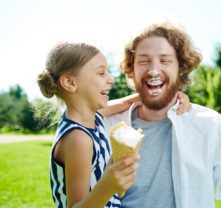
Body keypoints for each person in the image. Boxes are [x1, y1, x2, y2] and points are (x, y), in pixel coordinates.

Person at [104, 22, 221, 208]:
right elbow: (74, 115)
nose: (153, 71)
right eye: (143, 61)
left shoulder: (211, 124)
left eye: (165, 60)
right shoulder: (108, 125)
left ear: (181, 68)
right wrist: (130, 100)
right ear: (131, 70)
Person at [37, 42, 191, 208]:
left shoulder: (92, 117)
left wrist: (170, 94)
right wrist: (108, 186)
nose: (110, 79)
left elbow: (128, 102)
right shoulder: (78, 139)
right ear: (70, 82)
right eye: (101, 73)